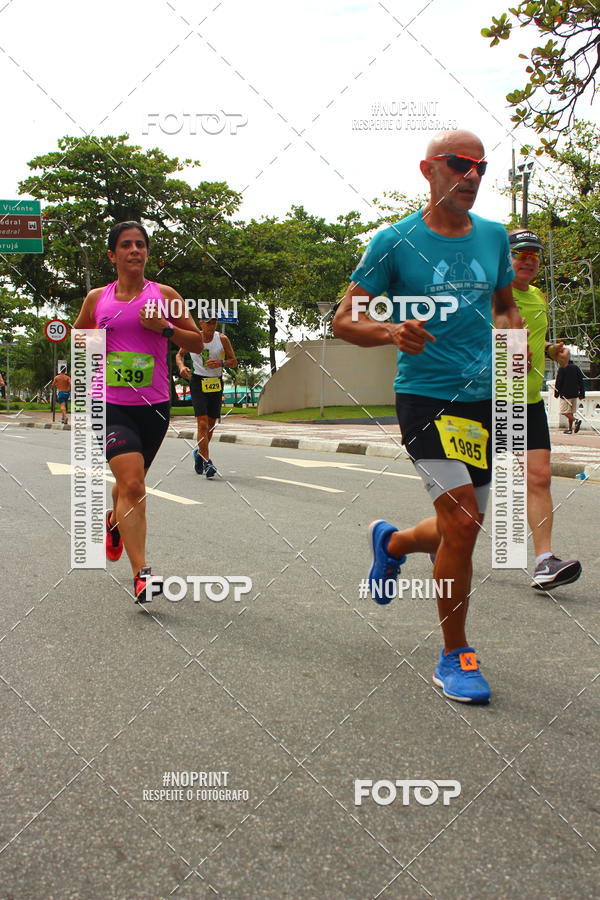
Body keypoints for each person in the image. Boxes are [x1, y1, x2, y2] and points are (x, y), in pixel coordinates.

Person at [333, 130, 526, 705]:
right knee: (464, 524)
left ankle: (391, 546)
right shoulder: (394, 243)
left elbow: (506, 304)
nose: (471, 176)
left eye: (481, 168)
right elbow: (345, 320)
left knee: (456, 527)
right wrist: (390, 330)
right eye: (459, 164)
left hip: (483, 401)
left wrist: (515, 339)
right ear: (428, 170)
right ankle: (455, 654)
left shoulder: (494, 238)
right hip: (425, 397)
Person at [73, 221, 204, 603]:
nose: (135, 251)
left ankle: (114, 522)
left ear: (147, 253)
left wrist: (163, 329)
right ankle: (141, 573)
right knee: (133, 485)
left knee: (131, 482)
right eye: (127, 245)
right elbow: (79, 336)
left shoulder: (165, 295)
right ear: (112, 255)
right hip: (110, 404)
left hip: (154, 407)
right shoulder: (98, 299)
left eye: (141, 245)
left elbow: (196, 342)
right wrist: (89, 358)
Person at [508, 230, 582, 589]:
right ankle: (438, 540)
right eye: (520, 253)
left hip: (528, 401)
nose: (527, 260)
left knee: (538, 477)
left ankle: (544, 562)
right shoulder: (490, 295)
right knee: (472, 486)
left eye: (534, 255)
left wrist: (552, 350)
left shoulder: (537, 297)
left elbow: (534, 339)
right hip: (487, 401)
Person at [176, 318, 237, 478]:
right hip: (198, 381)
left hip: (215, 382)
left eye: (214, 322)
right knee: (202, 422)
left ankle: (199, 452)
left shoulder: (222, 339)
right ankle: (207, 461)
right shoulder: (192, 337)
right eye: (208, 322)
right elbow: (179, 355)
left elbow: (234, 361)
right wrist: (182, 367)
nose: (212, 325)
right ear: (201, 323)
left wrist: (221, 363)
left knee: (210, 424)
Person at [555, 348, 585, 435]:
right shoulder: (576, 368)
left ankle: (576, 420)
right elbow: (581, 381)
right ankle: (569, 429)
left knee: (564, 411)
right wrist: (582, 393)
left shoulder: (562, 368)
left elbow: (558, 382)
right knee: (570, 412)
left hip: (565, 394)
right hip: (574, 394)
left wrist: (556, 393)